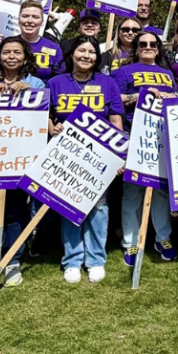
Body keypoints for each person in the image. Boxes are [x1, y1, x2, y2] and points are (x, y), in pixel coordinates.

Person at [49, 36, 124, 284]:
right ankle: (72, 260)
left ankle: (95, 259)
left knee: (99, 207)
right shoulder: (55, 83)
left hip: (99, 155)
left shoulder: (108, 83)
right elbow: (45, 115)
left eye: (91, 52)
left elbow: (115, 119)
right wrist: (51, 128)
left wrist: (119, 154)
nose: (86, 56)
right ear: (72, 54)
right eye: (81, 50)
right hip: (66, 154)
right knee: (69, 205)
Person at [0, 37, 46, 289]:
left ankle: (13, 260)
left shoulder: (36, 83)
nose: (11, 56)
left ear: (25, 57)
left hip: (21, 157)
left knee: (16, 211)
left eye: (17, 52)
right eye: (6, 52)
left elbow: (42, 115)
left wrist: (30, 91)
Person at [112, 32, 177, 267]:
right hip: (134, 135)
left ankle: (163, 238)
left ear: (158, 49)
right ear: (136, 48)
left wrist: (170, 95)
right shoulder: (123, 72)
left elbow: (177, 98)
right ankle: (130, 241)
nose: (148, 47)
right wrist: (139, 95)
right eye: (143, 44)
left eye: (152, 44)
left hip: (161, 136)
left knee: (161, 190)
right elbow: (115, 99)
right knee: (132, 191)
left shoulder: (167, 74)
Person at [0, 0, 64, 81]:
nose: (30, 21)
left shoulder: (54, 47)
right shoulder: (5, 44)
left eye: (35, 17)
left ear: (42, 22)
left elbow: (59, 79)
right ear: (18, 20)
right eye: (25, 16)